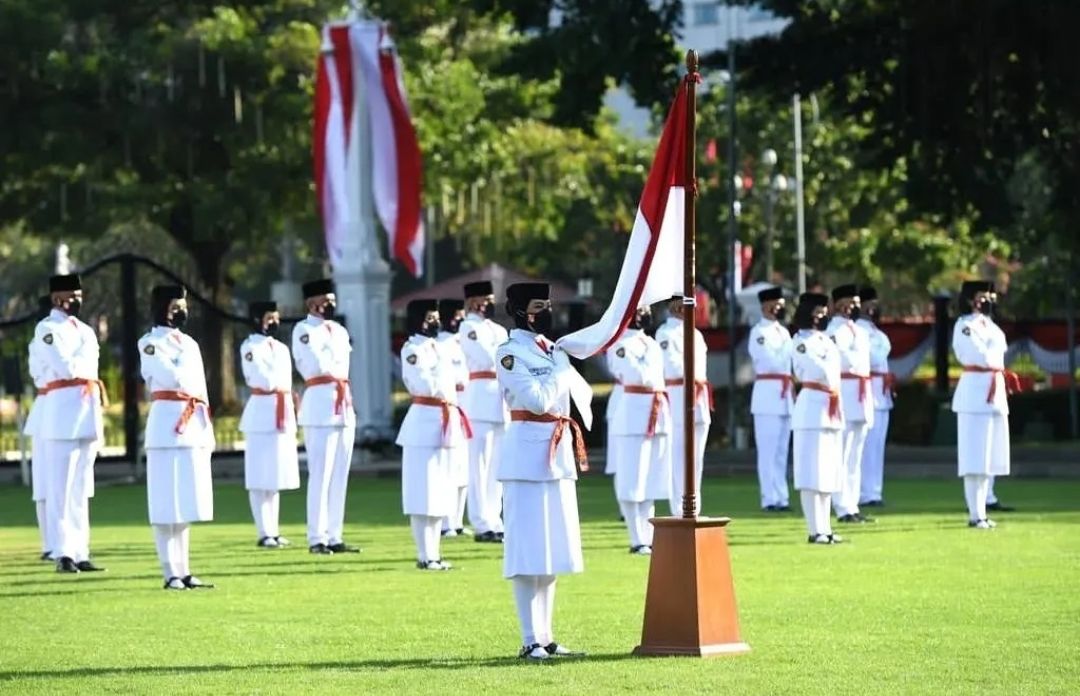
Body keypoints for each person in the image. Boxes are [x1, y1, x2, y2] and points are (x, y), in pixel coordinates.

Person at [496, 282, 590, 660]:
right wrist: (560, 371)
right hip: (526, 457)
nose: (547, 312)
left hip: (557, 456)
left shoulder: (551, 349)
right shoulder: (509, 353)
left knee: (551, 550)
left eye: (549, 305)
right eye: (540, 306)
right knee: (526, 551)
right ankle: (529, 638)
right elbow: (535, 401)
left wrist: (559, 364)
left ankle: (547, 636)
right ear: (521, 311)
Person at [139, 285, 215, 589]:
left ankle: (184, 569)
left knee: (184, 504)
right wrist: (182, 372)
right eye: (174, 307)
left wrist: (206, 428)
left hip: (191, 424)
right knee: (164, 503)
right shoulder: (149, 342)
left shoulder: (190, 344)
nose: (180, 312)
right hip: (166, 425)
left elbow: (200, 389)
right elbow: (173, 378)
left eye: (183, 306)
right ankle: (169, 571)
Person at [35, 274, 106, 574]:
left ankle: (81, 550)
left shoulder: (87, 331)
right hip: (61, 412)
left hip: (87, 409)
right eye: (71, 295)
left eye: (79, 295)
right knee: (60, 487)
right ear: (56, 299)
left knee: (81, 488)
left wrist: (81, 365)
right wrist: (82, 364)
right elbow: (64, 367)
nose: (76, 300)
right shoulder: (47, 329)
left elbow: (90, 366)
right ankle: (62, 551)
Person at [397, 300, 471, 570]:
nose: (435, 322)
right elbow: (423, 384)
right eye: (430, 318)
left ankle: (436, 554)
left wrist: (443, 382)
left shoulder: (439, 347)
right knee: (422, 492)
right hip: (423, 423)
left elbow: (459, 378)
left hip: (446, 420)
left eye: (436, 317)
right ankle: (424, 554)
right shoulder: (412, 349)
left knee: (442, 491)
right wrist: (442, 382)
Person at [293, 279, 359, 555]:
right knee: (320, 474)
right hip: (320, 404)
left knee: (340, 475)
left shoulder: (340, 331)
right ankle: (316, 537)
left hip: (342, 404)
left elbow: (344, 365)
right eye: (326, 300)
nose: (331, 305)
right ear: (312, 303)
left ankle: (335, 535)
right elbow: (316, 364)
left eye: (333, 299)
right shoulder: (303, 329)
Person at [606, 307, 671, 554]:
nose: (644, 313)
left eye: (646, 309)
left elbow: (656, 376)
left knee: (651, 480)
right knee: (632, 478)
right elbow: (639, 375)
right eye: (639, 309)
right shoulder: (619, 343)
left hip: (657, 412)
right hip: (633, 412)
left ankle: (649, 535)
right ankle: (636, 538)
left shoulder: (651, 344)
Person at [952, 281, 1014, 529]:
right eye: (982, 296)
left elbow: (1000, 351)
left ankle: (985, 506)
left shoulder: (992, 326)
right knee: (974, 456)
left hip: (995, 391)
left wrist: (992, 353)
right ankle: (975, 513)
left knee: (991, 455)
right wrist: (991, 353)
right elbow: (979, 355)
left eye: (990, 295)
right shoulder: (964, 325)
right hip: (975, 393)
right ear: (970, 299)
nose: (988, 300)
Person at [239, 301, 300, 548]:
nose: (274, 322)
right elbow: (263, 378)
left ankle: (274, 530)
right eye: (269, 317)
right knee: (259, 476)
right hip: (262, 412)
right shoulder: (250, 346)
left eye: (276, 317)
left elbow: (285, 379)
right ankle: (263, 532)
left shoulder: (282, 348)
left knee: (274, 477)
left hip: (282, 411)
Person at [790, 293, 845, 544]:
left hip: (830, 407)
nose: (822, 316)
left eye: (824, 312)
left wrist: (827, 366)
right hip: (811, 406)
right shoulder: (800, 341)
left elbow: (835, 370)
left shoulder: (826, 340)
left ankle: (826, 527)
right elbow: (816, 370)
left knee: (828, 472)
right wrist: (826, 366)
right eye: (817, 312)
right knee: (811, 472)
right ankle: (815, 529)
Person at [458, 280, 508, 543]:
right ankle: (480, 522)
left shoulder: (499, 329)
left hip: (500, 400)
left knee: (496, 467)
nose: (488, 304)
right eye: (484, 299)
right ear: (473, 301)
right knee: (478, 466)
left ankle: (495, 518)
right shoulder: (468, 327)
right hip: (478, 399)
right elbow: (490, 358)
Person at [655, 295, 712, 516]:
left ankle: (695, 504)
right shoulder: (665, 333)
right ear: (678, 306)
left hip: (699, 395)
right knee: (678, 453)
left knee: (697, 456)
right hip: (678, 393)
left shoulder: (696, 334)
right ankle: (679, 507)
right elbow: (673, 366)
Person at [827, 285, 874, 524]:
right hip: (845, 390)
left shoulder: (859, 330)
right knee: (842, 453)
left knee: (856, 454)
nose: (854, 307)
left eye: (856, 303)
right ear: (837, 305)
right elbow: (839, 357)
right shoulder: (834, 329)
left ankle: (852, 503)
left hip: (861, 393)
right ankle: (841, 505)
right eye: (849, 302)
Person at [748, 286, 794, 512]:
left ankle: (781, 496)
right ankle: (769, 497)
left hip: (785, 395)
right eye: (776, 304)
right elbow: (771, 362)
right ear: (765, 306)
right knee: (767, 451)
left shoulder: (784, 333)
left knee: (781, 451)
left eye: (781, 305)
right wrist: (787, 353)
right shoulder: (759, 332)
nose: (779, 308)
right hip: (767, 394)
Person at [436, 298, 471, 538]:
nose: (460, 320)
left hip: (466, 407)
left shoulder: (462, 342)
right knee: (447, 469)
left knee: (462, 469)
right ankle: (446, 522)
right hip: (448, 406)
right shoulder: (439, 344)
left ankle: (457, 521)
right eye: (457, 316)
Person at [857, 286, 893, 507]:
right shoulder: (858, 331)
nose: (873, 309)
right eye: (869, 305)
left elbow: (882, 351)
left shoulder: (877, 333)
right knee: (864, 446)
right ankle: (862, 492)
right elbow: (873, 356)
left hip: (881, 393)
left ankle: (874, 491)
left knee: (877, 447)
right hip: (866, 391)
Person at [25, 295, 54, 561]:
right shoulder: (41, 341)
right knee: (45, 482)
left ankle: (66, 542)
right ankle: (50, 542)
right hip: (48, 405)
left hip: (65, 406)